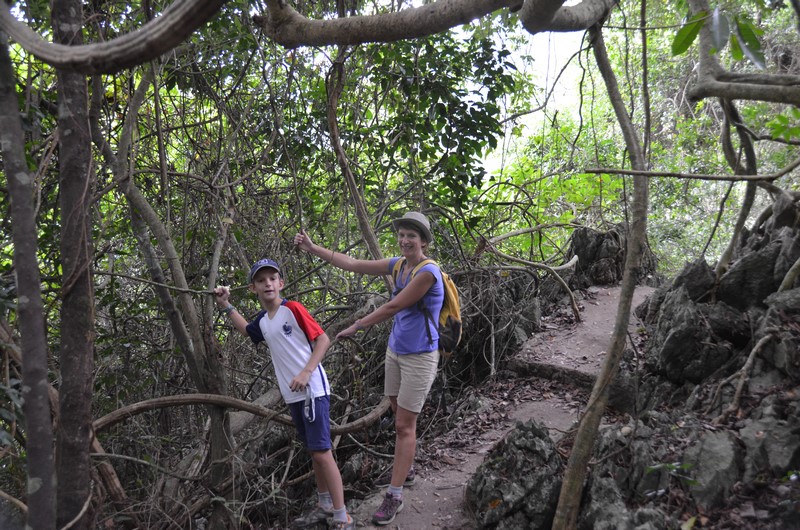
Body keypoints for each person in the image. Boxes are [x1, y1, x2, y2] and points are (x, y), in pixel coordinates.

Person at [293, 211, 444, 526]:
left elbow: (394, 306)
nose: (405, 240)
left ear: (424, 241)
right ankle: (406, 467)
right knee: (397, 412)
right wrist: (313, 247)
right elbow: (353, 264)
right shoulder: (399, 265)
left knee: (403, 426)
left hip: (420, 356)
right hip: (396, 351)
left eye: (412, 236)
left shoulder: (427, 272)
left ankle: (395, 495)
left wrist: (357, 325)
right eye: (402, 235)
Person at [214, 258, 354, 530]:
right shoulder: (264, 321)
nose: (267, 284)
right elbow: (248, 331)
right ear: (253, 288)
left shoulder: (293, 309)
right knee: (314, 451)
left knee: (322, 452)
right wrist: (226, 305)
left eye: (272, 279)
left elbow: (323, 339)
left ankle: (342, 516)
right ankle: (325, 505)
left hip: (313, 391)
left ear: (281, 283)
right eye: (261, 280)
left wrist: (306, 372)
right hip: (294, 396)